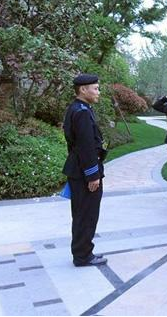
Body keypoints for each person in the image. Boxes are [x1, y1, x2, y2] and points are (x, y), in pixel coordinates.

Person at [62, 74, 107, 267]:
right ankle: (83, 255)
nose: (98, 92)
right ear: (83, 89)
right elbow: (85, 146)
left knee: (83, 213)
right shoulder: (81, 112)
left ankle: (83, 251)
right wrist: (93, 175)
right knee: (86, 214)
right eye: (95, 88)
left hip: (79, 169)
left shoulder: (78, 108)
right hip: (84, 172)